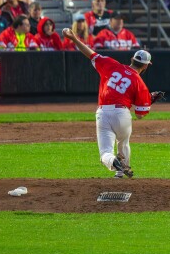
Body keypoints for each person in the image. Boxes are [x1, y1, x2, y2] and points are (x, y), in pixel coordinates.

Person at [63, 26, 162, 179]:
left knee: (105, 153)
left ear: (131, 59)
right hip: (122, 114)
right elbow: (140, 114)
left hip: (102, 113)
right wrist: (150, 100)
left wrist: (74, 38)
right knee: (123, 143)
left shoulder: (111, 65)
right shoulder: (139, 83)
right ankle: (122, 170)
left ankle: (113, 161)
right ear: (146, 66)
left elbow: (90, 54)